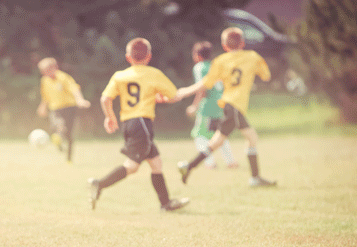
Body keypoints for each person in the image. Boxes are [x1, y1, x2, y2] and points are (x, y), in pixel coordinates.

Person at [88, 38, 189, 212]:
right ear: (149, 57)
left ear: (128, 58)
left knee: (156, 163)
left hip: (129, 123)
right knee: (132, 166)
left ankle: (165, 204)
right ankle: (99, 184)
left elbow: (105, 98)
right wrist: (168, 96)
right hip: (142, 123)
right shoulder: (153, 74)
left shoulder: (120, 76)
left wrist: (109, 117)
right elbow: (173, 96)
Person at [169, 27, 276, 187]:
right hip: (235, 106)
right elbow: (266, 76)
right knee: (251, 138)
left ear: (225, 46)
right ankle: (255, 178)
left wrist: (184, 92)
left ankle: (188, 166)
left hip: (228, 105)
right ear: (243, 43)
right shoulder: (252, 57)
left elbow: (204, 84)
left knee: (217, 141)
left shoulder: (220, 61)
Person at [186, 41, 238, 170]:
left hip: (208, 106)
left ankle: (210, 163)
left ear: (197, 55)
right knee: (219, 134)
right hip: (220, 104)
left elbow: (202, 89)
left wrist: (194, 106)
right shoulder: (215, 65)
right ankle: (230, 161)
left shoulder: (199, 67)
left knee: (199, 135)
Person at [36, 57, 90, 163]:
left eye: (46, 70)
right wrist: (42, 107)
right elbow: (45, 96)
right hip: (55, 109)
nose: (44, 73)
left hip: (69, 108)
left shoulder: (63, 77)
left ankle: (68, 158)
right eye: (43, 71)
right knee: (58, 125)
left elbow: (74, 89)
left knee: (69, 135)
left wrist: (80, 100)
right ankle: (58, 139)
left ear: (55, 67)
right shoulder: (44, 80)